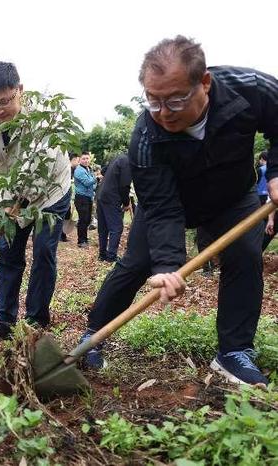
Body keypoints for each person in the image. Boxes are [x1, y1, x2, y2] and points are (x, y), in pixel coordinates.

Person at [80, 36, 278, 386]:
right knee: (138, 262)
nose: (164, 112)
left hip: (233, 196)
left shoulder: (249, 89)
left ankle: (234, 353)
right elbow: (160, 209)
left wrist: (276, 172)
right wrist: (168, 265)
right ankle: (93, 334)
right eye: (153, 101)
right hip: (172, 203)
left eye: (175, 100)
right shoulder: (145, 137)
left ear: (204, 83)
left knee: (245, 256)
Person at [0, 61, 72, 342]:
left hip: (50, 192)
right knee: (9, 256)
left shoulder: (44, 116)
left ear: (19, 90)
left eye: (3, 102)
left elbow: (40, 169)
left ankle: (35, 321)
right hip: (11, 195)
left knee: (43, 254)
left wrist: (11, 211)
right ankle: (4, 321)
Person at [96, 155, 132, 262]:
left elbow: (103, 171)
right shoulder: (128, 163)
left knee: (103, 227)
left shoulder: (118, 158)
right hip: (111, 197)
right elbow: (124, 186)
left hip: (101, 194)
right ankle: (111, 256)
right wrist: (126, 203)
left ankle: (102, 254)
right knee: (116, 227)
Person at [73, 152, 97, 247]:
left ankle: (85, 238)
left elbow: (93, 185)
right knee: (83, 219)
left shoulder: (88, 169)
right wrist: (96, 178)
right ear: (80, 160)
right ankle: (81, 241)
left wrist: (94, 180)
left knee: (87, 219)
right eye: (84, 158)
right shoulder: (79, 170)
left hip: (88, 197)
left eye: (87, 158)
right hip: (81, 198)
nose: (86, 160)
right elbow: (88, 182)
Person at [60, 154, 80, 242]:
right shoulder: (67, 169)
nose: (78, 163)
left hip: (69, 197)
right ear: (73, 159)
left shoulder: (73, 170)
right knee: (63, 216)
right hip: (63, 197)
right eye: (77, 160)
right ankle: (61, 235)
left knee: (67, 216)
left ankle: (63, 234)